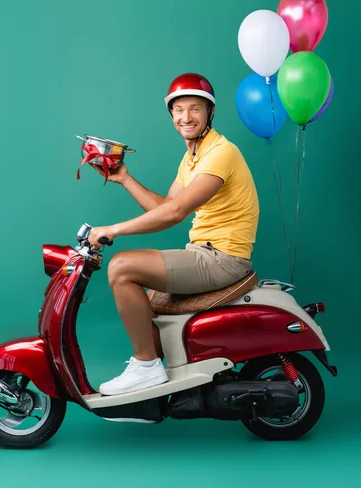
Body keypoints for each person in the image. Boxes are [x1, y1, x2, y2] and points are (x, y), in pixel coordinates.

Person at [88, 73, 259, 396]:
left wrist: (112, 230)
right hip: (203, 251)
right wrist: (125, 178)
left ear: (209, 113)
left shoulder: (221, 153)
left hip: (222, 258)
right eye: (179, 110)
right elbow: (166, 205)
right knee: (145, 300)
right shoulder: (193, 157)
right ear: (171, 116)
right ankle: (153, 377)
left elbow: (175, 214)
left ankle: (146, 367)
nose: (186, 117)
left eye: (195, 109)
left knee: (121, 268)